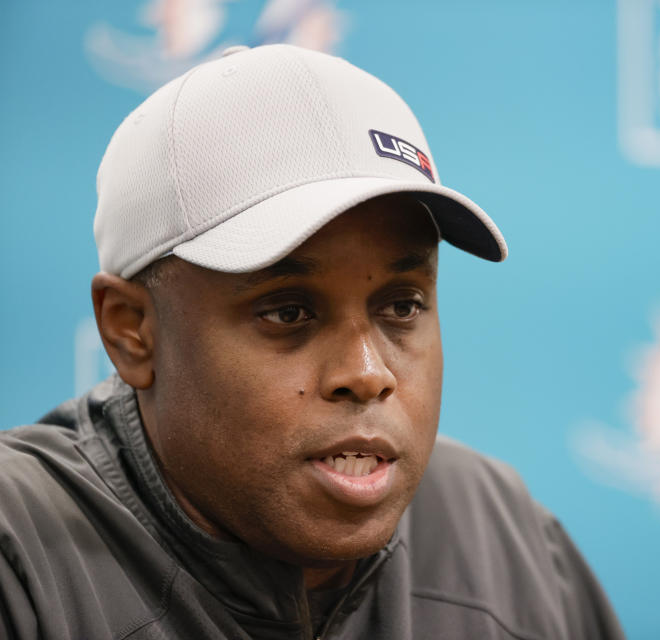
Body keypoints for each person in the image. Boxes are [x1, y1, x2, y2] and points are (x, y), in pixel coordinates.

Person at [0, 44, 625, 639]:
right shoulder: (19, 556)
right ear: (131, 331)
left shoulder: (504, 536)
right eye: (289, 312)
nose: (366, 372)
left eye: (402, 306)